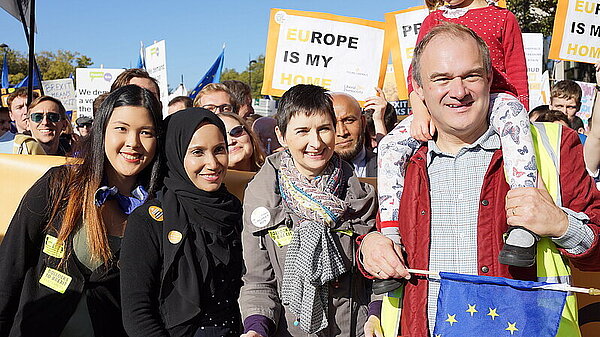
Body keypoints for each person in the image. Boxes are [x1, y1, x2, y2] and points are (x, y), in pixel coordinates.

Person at [359, 23, 600, 337]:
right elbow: (384, 251)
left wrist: (562, 225)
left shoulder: (553, 146)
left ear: (489, 79)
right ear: (418, 89)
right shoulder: (402, 161)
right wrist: (370, 250)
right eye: (442, 79)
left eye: (470, 75)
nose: (458, 92)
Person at [377, 0, 537, 268]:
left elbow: (518, 72)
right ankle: (391, 231)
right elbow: (414, 74)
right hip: (432, 109)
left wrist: (520, 115)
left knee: (514, 128)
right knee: (390, 145)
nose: (458, 89)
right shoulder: (433, 19)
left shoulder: (503, 18)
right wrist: (419, 109)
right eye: (444, 79)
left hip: (497, 100)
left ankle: (523, 222)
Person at [0, 85, 163, 337]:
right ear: (102, 132)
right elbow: (10, 266)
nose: (133, 143)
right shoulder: (60, 184)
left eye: (146, 132)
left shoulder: (160, 209)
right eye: (121, 128)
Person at [239, 84, 377, 337]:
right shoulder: (262, 195)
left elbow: (377, 275)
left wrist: (376, 316)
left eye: (324, 129)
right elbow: (259, 281)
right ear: (281, 136)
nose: (315, 142)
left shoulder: (359, 195)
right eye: (302, 131)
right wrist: (256, 328)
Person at [121, 108, 243, 337]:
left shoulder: (235, 211)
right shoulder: (149, 220)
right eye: (198, 152)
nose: (213, 163)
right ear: (175, 155)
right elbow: (137, 314)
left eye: (219, 150)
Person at [331, 92, 378, 177]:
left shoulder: (387, 165)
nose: (342, 132)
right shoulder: (310, 173)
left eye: (349, 120)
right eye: (333, 124)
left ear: (363, 122)